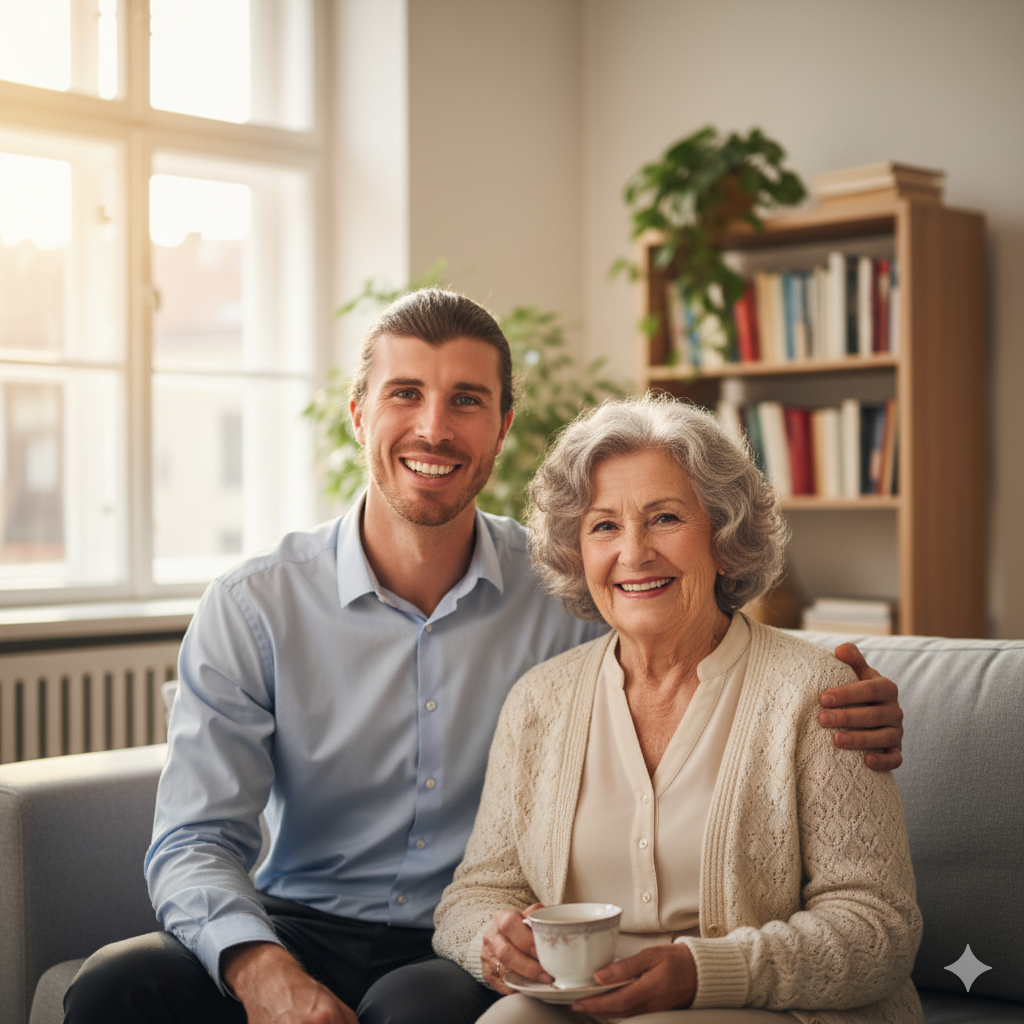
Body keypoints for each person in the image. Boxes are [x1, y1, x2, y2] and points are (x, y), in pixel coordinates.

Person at [64, 291, 906, 1024]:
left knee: (421, 1012)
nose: (434, 426)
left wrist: (846, 695)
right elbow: (195, 839)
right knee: (115, 989)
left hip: (454, 954)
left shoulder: (568, 587)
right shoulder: (254, 607)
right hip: (295, 920)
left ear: (503, 427)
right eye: (406, 394)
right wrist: (259, 966)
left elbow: (689, 632)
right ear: (359, 413)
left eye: (467, 400)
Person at [432, 395, 923, 1023]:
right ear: (577, 552)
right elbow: (474, 894)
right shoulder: (539, 700)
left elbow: (878, 927)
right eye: (604, 526)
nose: (634, 553)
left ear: (723, 536)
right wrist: (492, 942)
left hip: (772, 1005)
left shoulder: (818, 694)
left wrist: (703, 972)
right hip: (586, 1004)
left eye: (664, 518)